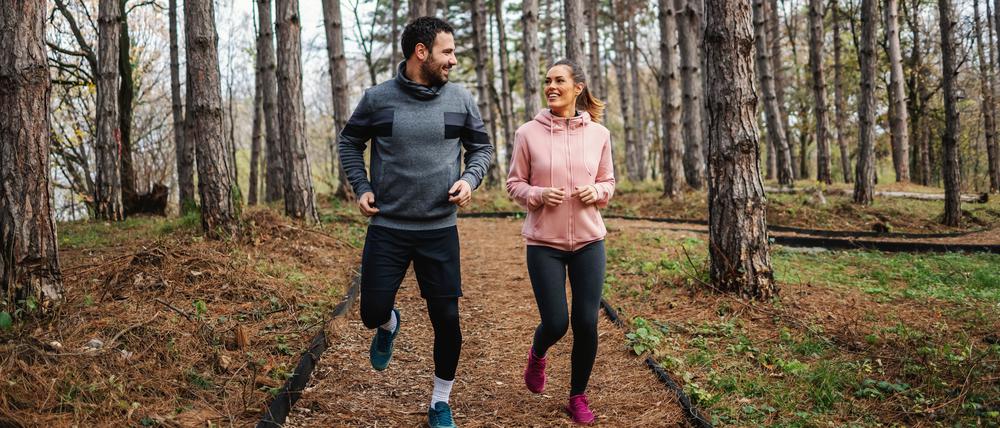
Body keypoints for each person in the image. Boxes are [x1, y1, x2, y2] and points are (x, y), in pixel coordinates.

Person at [337, 16, 494, 428]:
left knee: (447, 321)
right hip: (388, 228)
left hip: (439, 230)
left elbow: (481, 148)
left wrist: (469, 178)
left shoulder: (460, 99)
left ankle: (440, 403)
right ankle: (389, 325)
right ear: (420, 52)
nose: (454, 60)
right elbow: (350, 142)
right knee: (371, 312)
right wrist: (361, 185)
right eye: (448, 51)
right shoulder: (377, 99)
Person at [505, 59, 615, 425]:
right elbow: (514, 184)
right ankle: (537, 354)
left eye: (559, 80)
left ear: (577, 88)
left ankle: (577, 396)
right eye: (548, 80)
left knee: (586, 321)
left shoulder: (599, 134)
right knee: (555, 323)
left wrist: (595, 191)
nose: (551, 86)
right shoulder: (527, 134)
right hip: (544, 243)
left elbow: (609, 183)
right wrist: (537, 195)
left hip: (589, 240)